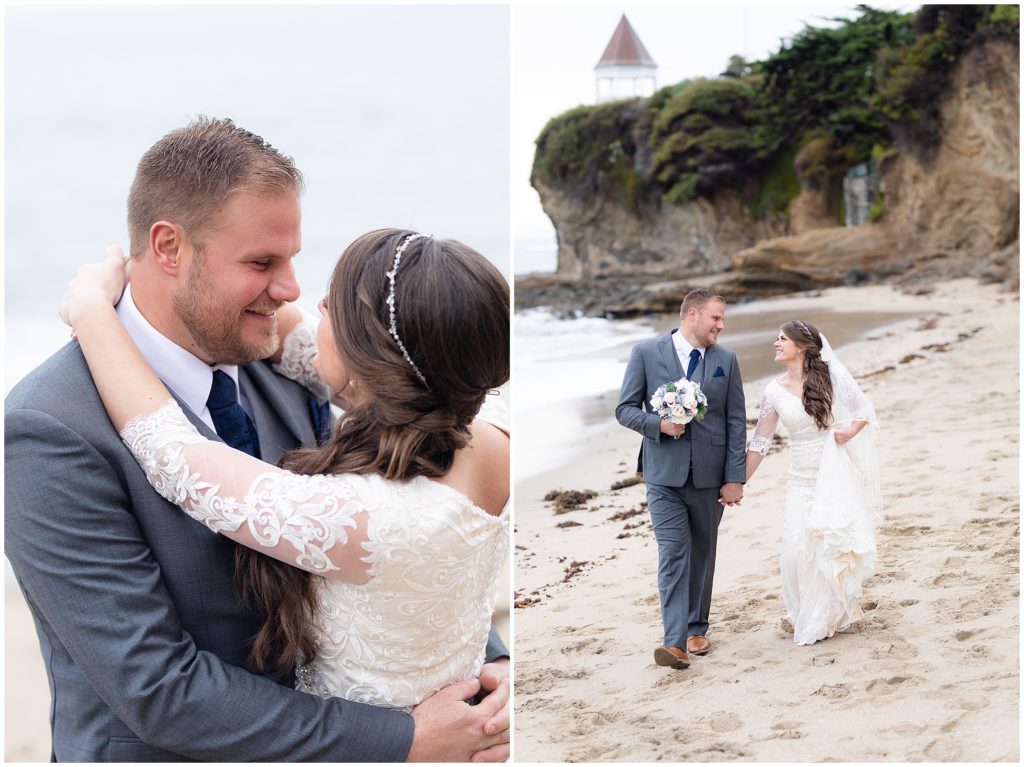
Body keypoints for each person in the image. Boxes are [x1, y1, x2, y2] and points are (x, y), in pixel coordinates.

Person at [5, 117, 509, 762]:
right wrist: (402, 740)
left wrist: (488, 674)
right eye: (262, 262)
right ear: (168, 248)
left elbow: (417, 541)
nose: (291, 289)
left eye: (294, 256)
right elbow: (158, 688)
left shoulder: (289, 368)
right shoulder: (49, 426)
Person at [615, 288, 746, 670]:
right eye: (715, 318)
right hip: (663, 476)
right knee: (673, 553)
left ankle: (696, 627)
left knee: (702, 553)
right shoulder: (645, 353)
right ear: (692, 315)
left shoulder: (726, 359)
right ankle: (674, 644)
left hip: (711, 476)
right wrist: (660, 425)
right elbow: (624, 409)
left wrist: (734, 477)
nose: (721, 326)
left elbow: (736, 420)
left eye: (722, 319)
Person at [745, 320, 881, 645]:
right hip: (799, 479)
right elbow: (760, 442)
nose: (776, 343)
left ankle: (824, 615)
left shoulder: (829, 378)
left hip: (832, 473)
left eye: (782, 339)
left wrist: (850, 430)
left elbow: (865, 409)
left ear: (802, 345)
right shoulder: (772, 391)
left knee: (827, 544)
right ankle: (801, 610)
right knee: (796, 552)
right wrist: (738, 481)